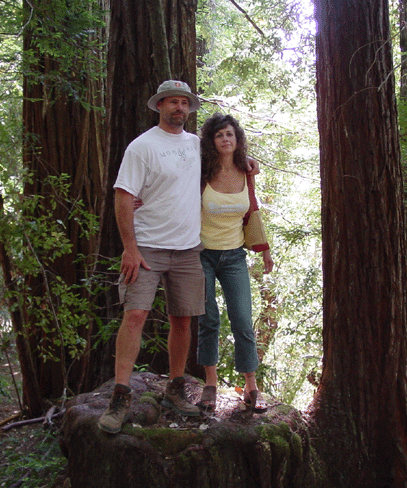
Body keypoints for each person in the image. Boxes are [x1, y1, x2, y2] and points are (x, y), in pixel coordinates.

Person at [99, 80, 206, 434]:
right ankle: (120, 397)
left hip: (188, 248)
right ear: (159, 105)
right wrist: (130, 248)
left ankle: (175, 389)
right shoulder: (142, 146)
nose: (179, 108)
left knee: (183, 320)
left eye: (184, 103)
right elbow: (122, 195)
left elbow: (226, 163)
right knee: (135, 315)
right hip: (146, 247)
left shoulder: (196, 145)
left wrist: (246, 162)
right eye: (172, 102)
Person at [197, 113, 273, 413]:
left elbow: (252, 211)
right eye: (219, 135)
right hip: (201, 254)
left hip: (234, 256)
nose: (225, 139)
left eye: (229, 134)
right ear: (211, 141)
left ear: (237, 139)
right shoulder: (201, 172)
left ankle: (251, 386)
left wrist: (264, 251)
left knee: (242, 319)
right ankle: (210, 383)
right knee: (209, 319)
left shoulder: (246, 171)